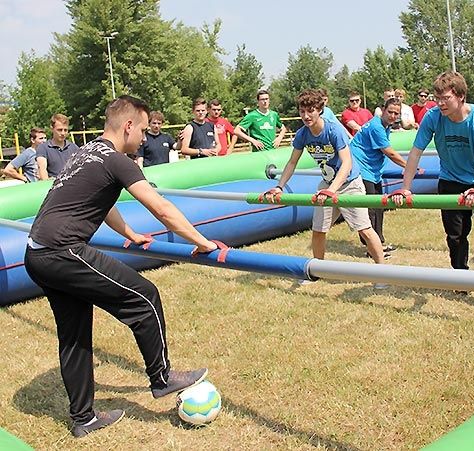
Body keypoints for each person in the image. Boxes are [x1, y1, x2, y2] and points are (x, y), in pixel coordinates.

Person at [24, 95, 218, 438]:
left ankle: (83, 419)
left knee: (75, 336)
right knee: (144, 297)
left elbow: (100, 201)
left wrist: (129, 233)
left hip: (36, 254)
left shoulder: (84, 154)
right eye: (142, 129)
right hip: (62, 250)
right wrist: (202, 243)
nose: (144, 137)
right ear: (128, 126)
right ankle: (161, 378)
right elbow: (161, 207)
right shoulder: (118, 160)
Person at [393, 71, 474, 316]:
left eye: (446, 98)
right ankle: (461, 278)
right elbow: (415, 153)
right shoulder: (433, 117)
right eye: (437, 98)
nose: (440, 103)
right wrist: (406, 187)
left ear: (461, 97)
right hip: (450, 181)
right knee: (455, 236)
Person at [263, 89, 386, 278]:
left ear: (319, 110)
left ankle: (383, 272)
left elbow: (347, 163)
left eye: (310, 111)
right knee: (318, 230)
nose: (305, 116)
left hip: (350, 184)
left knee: (365, 230)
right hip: (327, 184)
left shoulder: (333, 129)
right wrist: (279, 186)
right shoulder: (303, 134)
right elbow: (292, 162)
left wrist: (333, 190)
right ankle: (318, 272)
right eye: (302, 111)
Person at [350, 97, 407, 257]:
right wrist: (409, 167)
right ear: (383, 110)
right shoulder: (376, 126)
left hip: (373, 170)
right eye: (390, 112)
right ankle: (371, 248)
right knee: (370, 208)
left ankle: (378, 241)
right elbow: (389, 152)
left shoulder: (385, 125)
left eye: (397, 113)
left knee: (379, 205)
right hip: (361, 168)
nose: (393, 116)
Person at [36, 114, 80, 180]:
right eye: (59, 130)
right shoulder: (43, 148)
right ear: (52, 128)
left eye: (65, 130)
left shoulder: (74, 147)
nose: (63, 133)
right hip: (54, 186)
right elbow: (42, 169)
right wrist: (47, 184)